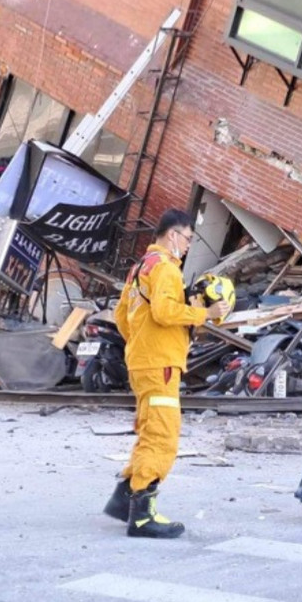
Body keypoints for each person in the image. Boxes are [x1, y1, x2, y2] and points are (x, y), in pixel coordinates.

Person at [102, 209, 230, 539]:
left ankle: (124, 499)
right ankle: (143, 516)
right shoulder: (166, 269)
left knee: (150, 430)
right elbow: (163, 311)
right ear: (173, 235)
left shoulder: (139, 268)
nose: (188, 245)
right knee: (162, 436)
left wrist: (141, 344)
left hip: (143, 362)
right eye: (188, 238)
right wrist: (205, 313)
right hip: (160, 365)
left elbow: (121, 316)